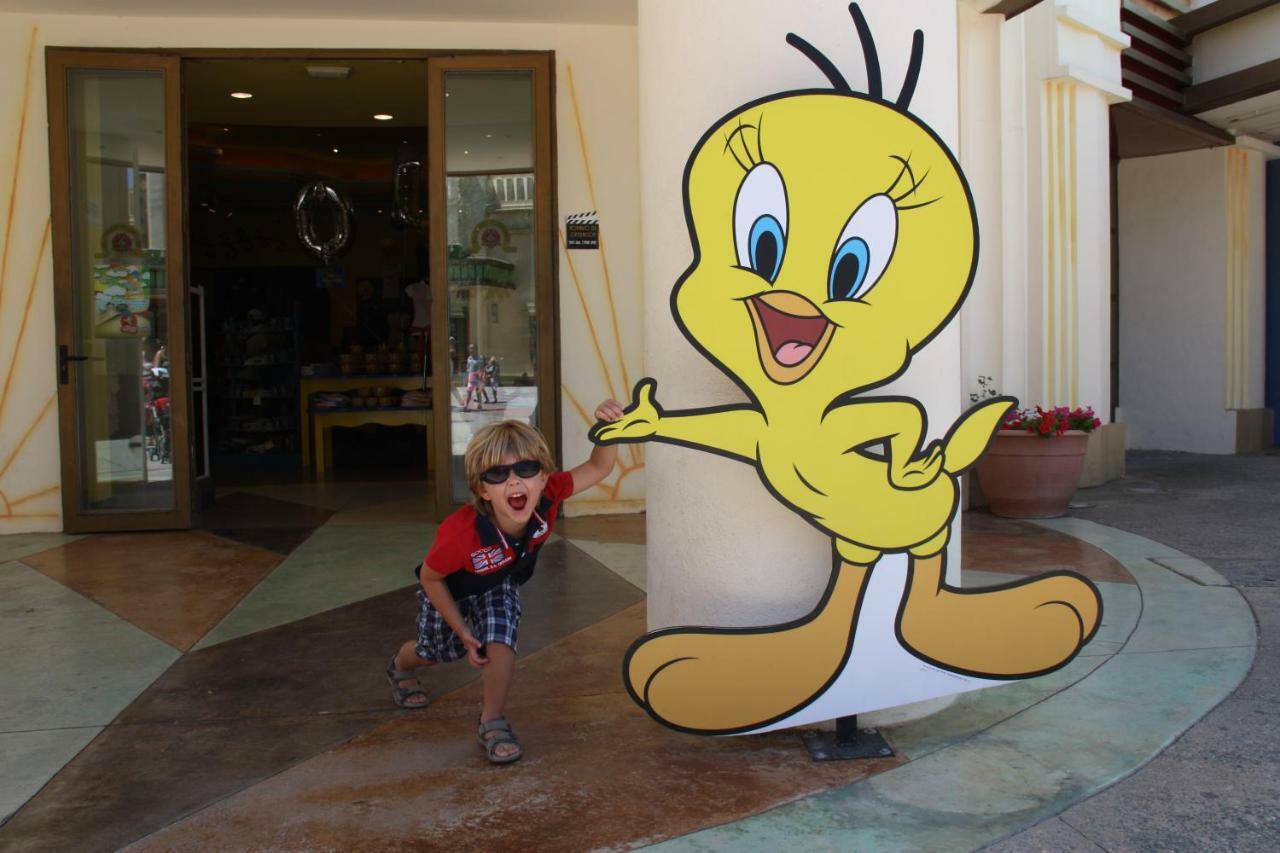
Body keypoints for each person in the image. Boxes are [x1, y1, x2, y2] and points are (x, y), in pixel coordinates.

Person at [385, 402, 624, 763]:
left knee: (501, 640)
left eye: (526, 469)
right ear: (482, 490)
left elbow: (598, 466)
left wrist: (609, 427)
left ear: (543, 477)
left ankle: (491, 720)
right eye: (497, 474)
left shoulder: (551, 494)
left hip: (498, 584)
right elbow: (430, 578)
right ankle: (401, 666)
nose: (513, 481)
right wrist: (462, 628)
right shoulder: (459, 533)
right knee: (434, 653)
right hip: (450, 591)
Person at [462, 344, 485, 411]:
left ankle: (480, 405)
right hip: (471, 376)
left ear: (476, 349)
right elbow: (468, 368)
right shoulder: (469, 358)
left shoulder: (479, 358)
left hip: (478, 376)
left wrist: (482, 376)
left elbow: (482, 368)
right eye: (470, 348)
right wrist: (467, 377)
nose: (471, 350)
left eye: (473, 348)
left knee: (478, 392)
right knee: (469, 392)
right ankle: (465, 406)